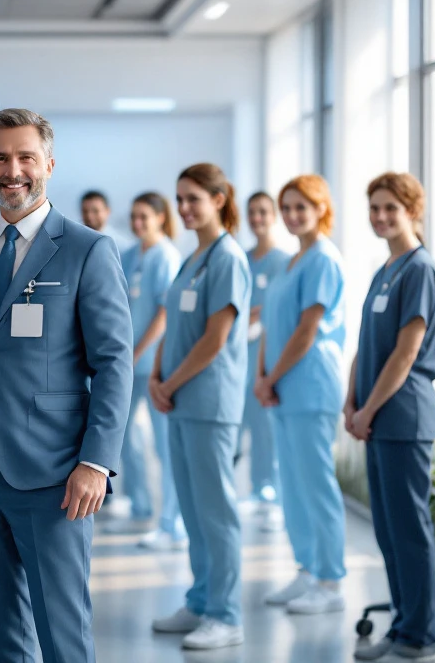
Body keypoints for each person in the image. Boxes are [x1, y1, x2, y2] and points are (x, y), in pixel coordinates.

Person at [0, 109, 133, 663]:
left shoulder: (86, 249)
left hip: (56, 471)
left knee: (62, 628)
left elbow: (115, 363)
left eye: (26, 157)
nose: (13, 170)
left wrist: (96, 462)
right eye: (0, 158)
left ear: (49, 164)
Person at [150, 163, 250, 651]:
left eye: (194, 199)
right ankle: (201, 599)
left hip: (209, 401)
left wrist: (170, 380)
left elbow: (215, 339)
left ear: (219, 199)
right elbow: (174, 324)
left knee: (216, 512)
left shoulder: (228, 257)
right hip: (180, 399)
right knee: (192, 508)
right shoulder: (194, 259)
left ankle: (226, 614)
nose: (185, 208)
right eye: (180, 199)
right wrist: (155, 374)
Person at [349, 173, 435, 662]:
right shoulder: (385, 268)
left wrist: (367, 408)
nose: (381, 217)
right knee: (387, 530)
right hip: (376, 418)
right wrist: (351, 399)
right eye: (374, 208)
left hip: (402, 418)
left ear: (413, 211)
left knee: (408, 530)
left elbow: (405, 355)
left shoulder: (420, 269)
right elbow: (366, 346)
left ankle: (418, 635)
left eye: (391, 208)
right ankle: (405, 622)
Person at [256, 174, 347, 615]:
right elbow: (272, 327)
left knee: (316, 485)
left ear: (321, 209)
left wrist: (271, 377)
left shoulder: (324, 260)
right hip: (281, 386)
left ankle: (330, 581)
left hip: (309, 386)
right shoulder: (291, 262)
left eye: (301, 208)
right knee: (292, 485)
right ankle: (308, 569)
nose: (293, 216)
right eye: (286, 208)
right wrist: (262, 374)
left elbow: (308, 330)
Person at [118, 192, 187, 551]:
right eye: (134, 216)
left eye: (145, 216)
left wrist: (136, 353)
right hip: (127, 365)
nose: (138, 222)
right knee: (123, 436)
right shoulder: (129, 255)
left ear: (161, 218)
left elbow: (164, 314)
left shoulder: (166, 256)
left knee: (164, 444)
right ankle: (140, 503)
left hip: (154, 364)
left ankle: (172, 523)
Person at [239, 192, 290, 530]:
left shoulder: (283, 261)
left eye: (263, 212)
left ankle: (270, 495)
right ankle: (257, 491)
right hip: (240, 357)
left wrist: (249, 313)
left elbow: (276, 306)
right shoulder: (242, 259)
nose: (257, 218)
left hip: (266, 357)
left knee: (266, 431)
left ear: (273, 216)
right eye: (252, 213)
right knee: (242, 427)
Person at [80, 189, 134, 254]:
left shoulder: (122, 246)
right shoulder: (74, 242)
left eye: (95, 211)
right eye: (85, 211)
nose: (89, 216)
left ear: (107, 211)